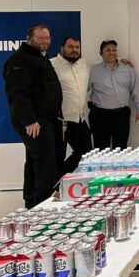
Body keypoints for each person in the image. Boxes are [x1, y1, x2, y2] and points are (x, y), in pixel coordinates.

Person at [3, 24, 63, 209]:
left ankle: (31, 203)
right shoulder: (20, 60)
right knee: (45, 164)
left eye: (47, 38)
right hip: (35, 121)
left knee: (34, 161)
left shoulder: (38, 57)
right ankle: (44, 206)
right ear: (29, 38)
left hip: (45, 120)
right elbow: (17, 93)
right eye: (40, 38)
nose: (45, 41)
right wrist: (29, 120)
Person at [88, 39, 139, 149]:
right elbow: (83, 89)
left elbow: (137, 89)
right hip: (100, 115)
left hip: (121, 115)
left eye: (114, 50)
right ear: (101, 53)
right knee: (100, 149)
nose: (112, 53)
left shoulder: (127, 69)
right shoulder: (93, 70)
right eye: (108, 50)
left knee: (121, 148)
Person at [50, 37, 93, 174]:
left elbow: (103, 66)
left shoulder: (85, 64)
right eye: (70, 47)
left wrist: (121, 62)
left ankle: (60, 179)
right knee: (57, 157)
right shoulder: (51, 64)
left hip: (79, 119)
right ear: (62, 48)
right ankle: (54, 184)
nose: (74, 50)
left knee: (86, 153)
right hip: (60, 121)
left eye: (77, 47)